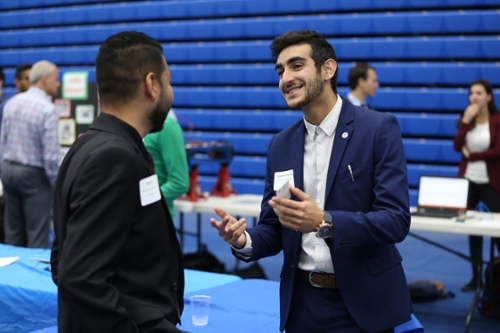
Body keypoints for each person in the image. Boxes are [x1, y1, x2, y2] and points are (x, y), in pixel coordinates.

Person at [210, 30, 412, 333]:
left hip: (362, 303)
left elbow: (395, 220)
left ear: (327, 69)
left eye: (296, 65)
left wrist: (325, 220)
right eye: (280, 71)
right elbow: (273, 228)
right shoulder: (280, 145)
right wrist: (243, 240)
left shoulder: (377, 129)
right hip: (301, 303)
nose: (285, 78)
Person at [50, 31, 185, 333]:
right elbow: (79, 278)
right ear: (152, 85)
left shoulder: (87, 146)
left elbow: (64, 261)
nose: (171, 92)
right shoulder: (115, 157)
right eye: (169, 81)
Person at [0, 60, 59, 248]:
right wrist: (56, 184)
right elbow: (50, 157)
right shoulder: (47, 109)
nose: (58, 84)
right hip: (34, 177)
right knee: (37, 234)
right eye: (56, 79)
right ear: (45, 79)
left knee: (13, 232)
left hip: (9, 171)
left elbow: (3, 141)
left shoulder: (11, 103)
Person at [453, 79, 500, 292]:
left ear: (489, 97)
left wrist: (473, 155)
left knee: (497, 231)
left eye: (479, 93)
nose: (474, 97)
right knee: (473, 231)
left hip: (491, 182)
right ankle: (476, 277)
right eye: (471, 93)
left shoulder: (497, 120)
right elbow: (457, 146)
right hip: (469, 181)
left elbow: (497, 151)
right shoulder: (466, 120)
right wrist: (465, 121)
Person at [143, 110, 189, 219]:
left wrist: (141, 201)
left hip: (154, 218)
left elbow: (179, 182)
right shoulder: (131, 123)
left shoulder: (167, 126)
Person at [0, 63, 32, 129]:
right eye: (27, 79)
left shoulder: (39, 107)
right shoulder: (6, 106)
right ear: (17, 81)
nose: (31, 82)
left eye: (33, 79)